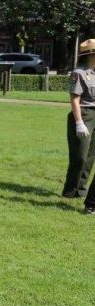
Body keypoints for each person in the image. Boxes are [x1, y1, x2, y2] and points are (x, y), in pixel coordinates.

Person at [62, 38, 95, 211]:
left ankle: (81, 190)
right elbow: (75, 99)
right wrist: (79, 122)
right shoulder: (79, 73)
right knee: (79, 155)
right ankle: (70, 189)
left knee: (90, 157)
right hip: (83, 113)